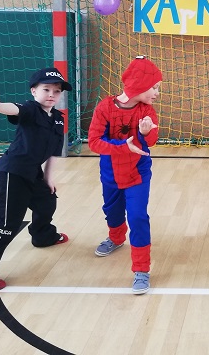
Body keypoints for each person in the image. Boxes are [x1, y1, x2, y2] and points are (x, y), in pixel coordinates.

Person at [0, 67, 72, 292]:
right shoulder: (31, 109)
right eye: (46, 89)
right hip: (12, 173)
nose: (51, 94)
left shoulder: (58, 119)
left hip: (33, 172)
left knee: (47, 201)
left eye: (56, 91)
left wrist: (48, 178)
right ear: (34, 91)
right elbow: (15, 109)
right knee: (7, 224)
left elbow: (54, 152)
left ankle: (43, 236)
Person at [88, 56, 161, 294]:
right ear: (139, 84)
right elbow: (94, 142)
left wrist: (145, 133)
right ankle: (116, 238)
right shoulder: (104, 108)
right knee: (112, 210)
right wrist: (122, 146)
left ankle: (141, 269)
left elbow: (151, 141)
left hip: (138, 174)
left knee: (138, 217)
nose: (157, 93)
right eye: (154, 87)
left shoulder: (147, 111)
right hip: (110, 173)